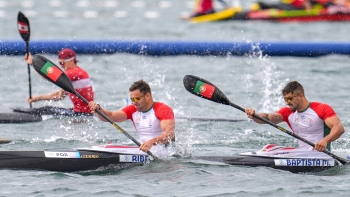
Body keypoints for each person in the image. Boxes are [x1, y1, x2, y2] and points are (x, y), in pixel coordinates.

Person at [245, 81, 344, 152]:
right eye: (285, 100)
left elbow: (339, 128)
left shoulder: (321, 109)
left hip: (322, 154)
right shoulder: (288, 112)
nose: (287, 102)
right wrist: (254, 115)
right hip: (302, 153)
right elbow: (267, 117)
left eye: (289, 99)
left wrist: (324, 141)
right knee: (268, 147)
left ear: (300, 96)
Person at [88, 79, 175, 153]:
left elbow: (169, 134)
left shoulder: (162, 109)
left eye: (136, 98)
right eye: (132, 99)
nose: (134, 102)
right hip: (144, 149)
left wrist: (151, 142)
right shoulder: (133, 110)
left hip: (165, 152)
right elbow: (110, 116)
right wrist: (98, 109)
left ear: (147, 96)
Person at [24, 48, 94, 116]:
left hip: (82, 114)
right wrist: (36, 98)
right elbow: (59, 96)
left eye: (62, 63)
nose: (61, 66)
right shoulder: (79, 73)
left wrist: (33, 63)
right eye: (60, 63)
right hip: (83, 113)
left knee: (46, 110)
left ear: (71, 61)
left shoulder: (73, 73)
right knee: (46, 109)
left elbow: (50, 76)